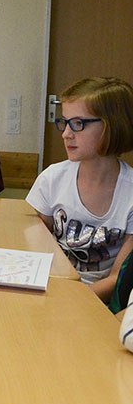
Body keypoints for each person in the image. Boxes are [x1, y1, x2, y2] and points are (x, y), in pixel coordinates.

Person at [26, 77, 133, 299]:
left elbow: (117, 279)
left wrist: (74, 301)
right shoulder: (52, 179)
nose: (66, 134)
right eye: (64, 122)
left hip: (95, 300)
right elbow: (31, 249)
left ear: (112, 125)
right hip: (47, 287)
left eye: (78, 124)